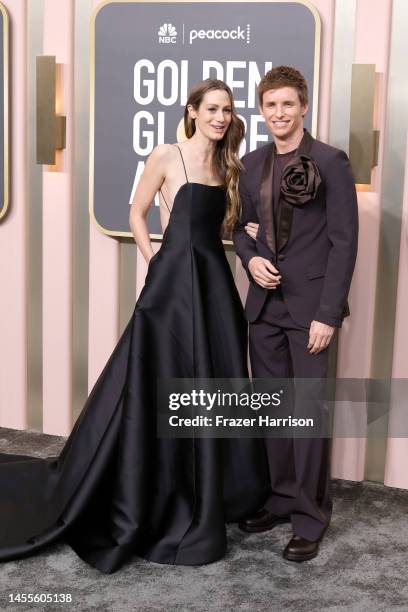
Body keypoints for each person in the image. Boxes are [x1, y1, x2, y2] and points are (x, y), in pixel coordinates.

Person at [0, 79, 268, 574]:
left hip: (213, 284)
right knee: (156, 382)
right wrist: (154, 260)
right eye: (211, 109)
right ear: (192, 110)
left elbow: (218, 225)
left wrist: (245, 229)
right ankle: (155, 487)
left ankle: (212, 488)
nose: (220, 117)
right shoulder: (168, 155)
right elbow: (137, 212)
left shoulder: (230, 163)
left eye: (227, 110)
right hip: (171, 285)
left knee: (214, 381)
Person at [233, 66, 358, 562]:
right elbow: (238, 228)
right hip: (263, 309)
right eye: (270, 105)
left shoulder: (331, 161)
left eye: (287, 104)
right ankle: (281, 496)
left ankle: (309, 514)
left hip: (311, 312)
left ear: (303, 106)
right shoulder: (250, 162)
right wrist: (250, 257)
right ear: (261, 110)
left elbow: (344, 243)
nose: (279, 113)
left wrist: (329, 314)